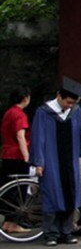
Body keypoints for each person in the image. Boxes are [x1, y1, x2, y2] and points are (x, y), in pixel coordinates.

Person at [30, 78, 81, 246]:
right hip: (51, 161)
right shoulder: (44, 112)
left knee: (70, 194)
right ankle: (51, 233)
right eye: (68, 102)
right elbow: (38, 138)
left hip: (70, 160)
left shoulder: (75, 112)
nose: (69, 106)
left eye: (72, 103)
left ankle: (66, 231)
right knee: (51, 196)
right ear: (59, 97)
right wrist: (39, 162)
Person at [1, 87, 32, 236]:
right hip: (17, 155)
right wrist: (26, 156)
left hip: (7, 154)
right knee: (18, 191)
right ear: (25, 98)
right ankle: (12, 222)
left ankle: (8, 221)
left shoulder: (8, 113)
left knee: (10, 189)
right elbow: (20, 136)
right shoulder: (19, 115)